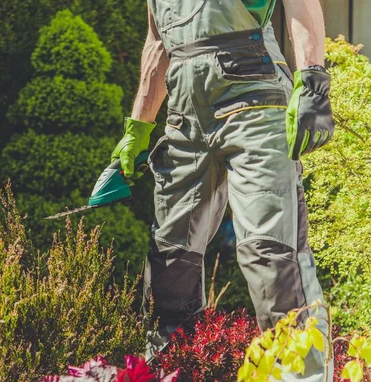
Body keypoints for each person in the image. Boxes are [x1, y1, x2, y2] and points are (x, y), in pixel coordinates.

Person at [111, 0, 335, 380]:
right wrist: (139, 125)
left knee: (271, 252)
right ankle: (173, 370)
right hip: (184, 117)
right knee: (170, 259)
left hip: (253, 99)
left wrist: (313, 79)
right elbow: (157, 41)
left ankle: (303, 375)